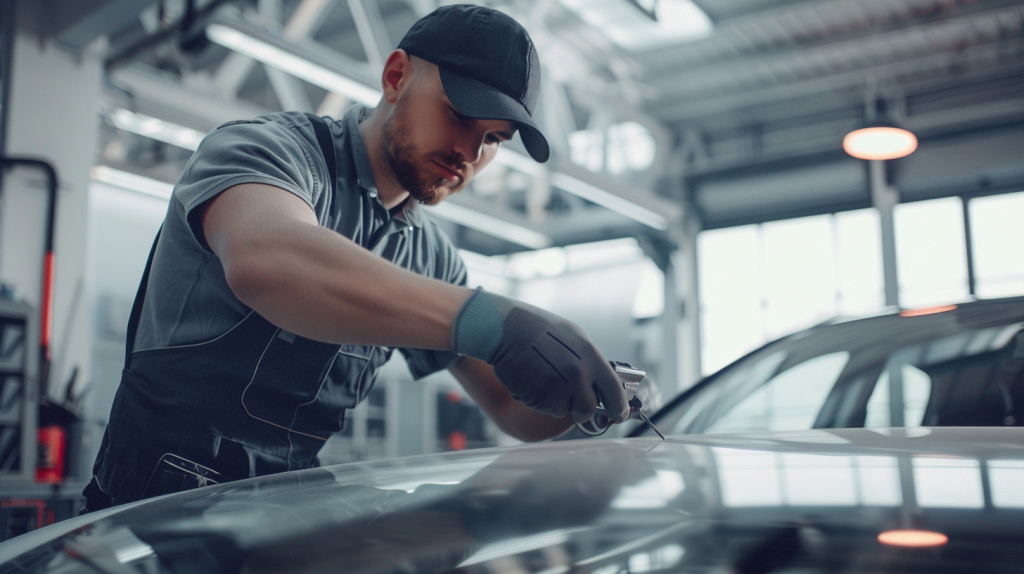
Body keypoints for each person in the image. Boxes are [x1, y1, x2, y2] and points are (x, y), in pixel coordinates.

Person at [83, 4, 628, 511]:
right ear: (395, 77)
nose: (470, 152)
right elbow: (265, 261)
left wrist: (583, 393)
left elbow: (512, 409)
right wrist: (490, 323)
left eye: (494, 138)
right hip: (148, 516)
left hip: (278, 520)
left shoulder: (431, 256)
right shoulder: (269, 151)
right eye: (460, 113)